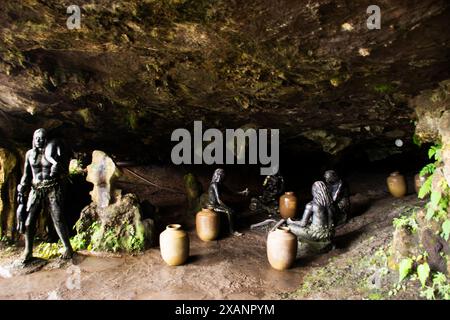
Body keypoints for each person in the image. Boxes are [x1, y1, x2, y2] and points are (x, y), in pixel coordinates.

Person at [17, 128, 73, 263]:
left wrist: (58, 169)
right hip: (36, 189)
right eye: (36, 138)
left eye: (41, 138)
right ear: (33, 140)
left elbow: (65, 170)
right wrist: (21, 186)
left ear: (46, 139)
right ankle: (28, 251)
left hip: (52, 187)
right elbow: (26, 174)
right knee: (29, 222)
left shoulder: (53, 153)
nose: (38, 141)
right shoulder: (30, 154)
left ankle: (67, 247)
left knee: (58, 218)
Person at [207, 168, 248, 236]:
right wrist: (227, 208)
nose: (224, 177)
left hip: (218, 204)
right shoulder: (215, 185)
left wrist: (242, 193)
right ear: (219, 176)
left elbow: (231, 193)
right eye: (223, 176)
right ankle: (233, 231)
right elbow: (218, 200)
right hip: (213, 206)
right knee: (230, 211)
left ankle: (235, 225)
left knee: (234, 207)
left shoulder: (220, 185)